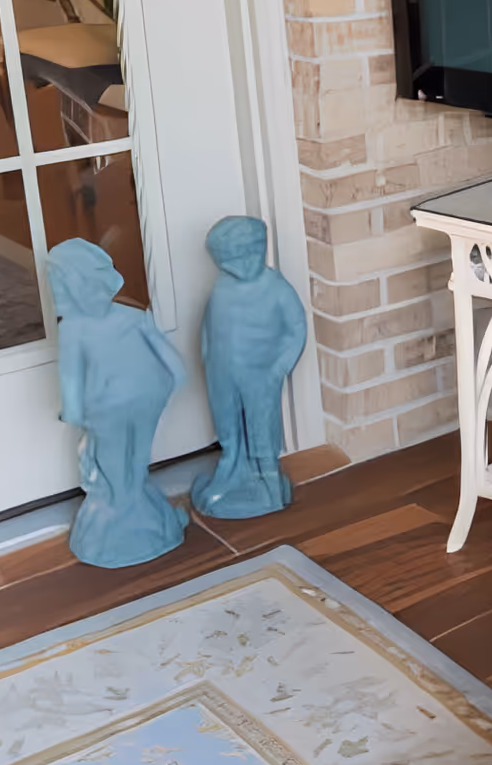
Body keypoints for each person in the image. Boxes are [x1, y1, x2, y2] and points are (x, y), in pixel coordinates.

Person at [48, 238, 188, 567]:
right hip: (129, 401)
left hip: (125, 403)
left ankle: (129, 519)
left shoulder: (94, 324)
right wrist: (170, 384)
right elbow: (173, 363)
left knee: (123, 461)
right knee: (126, 461)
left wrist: (73, 410)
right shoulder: (102, 322)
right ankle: (138, 518)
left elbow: (72, 378)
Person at [191, 216, 306, 519]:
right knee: (226, 420)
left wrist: (280, 366)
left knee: (261, 425)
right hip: (221, 372)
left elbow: (296, 328)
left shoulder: (274, 286)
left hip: (261, 373)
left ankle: (268, 481)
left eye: (249, 254)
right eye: (231, 260)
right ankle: (232, 467)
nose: (241, 265)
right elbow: (208, 325)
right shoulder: (222, 288)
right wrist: (206, 355)